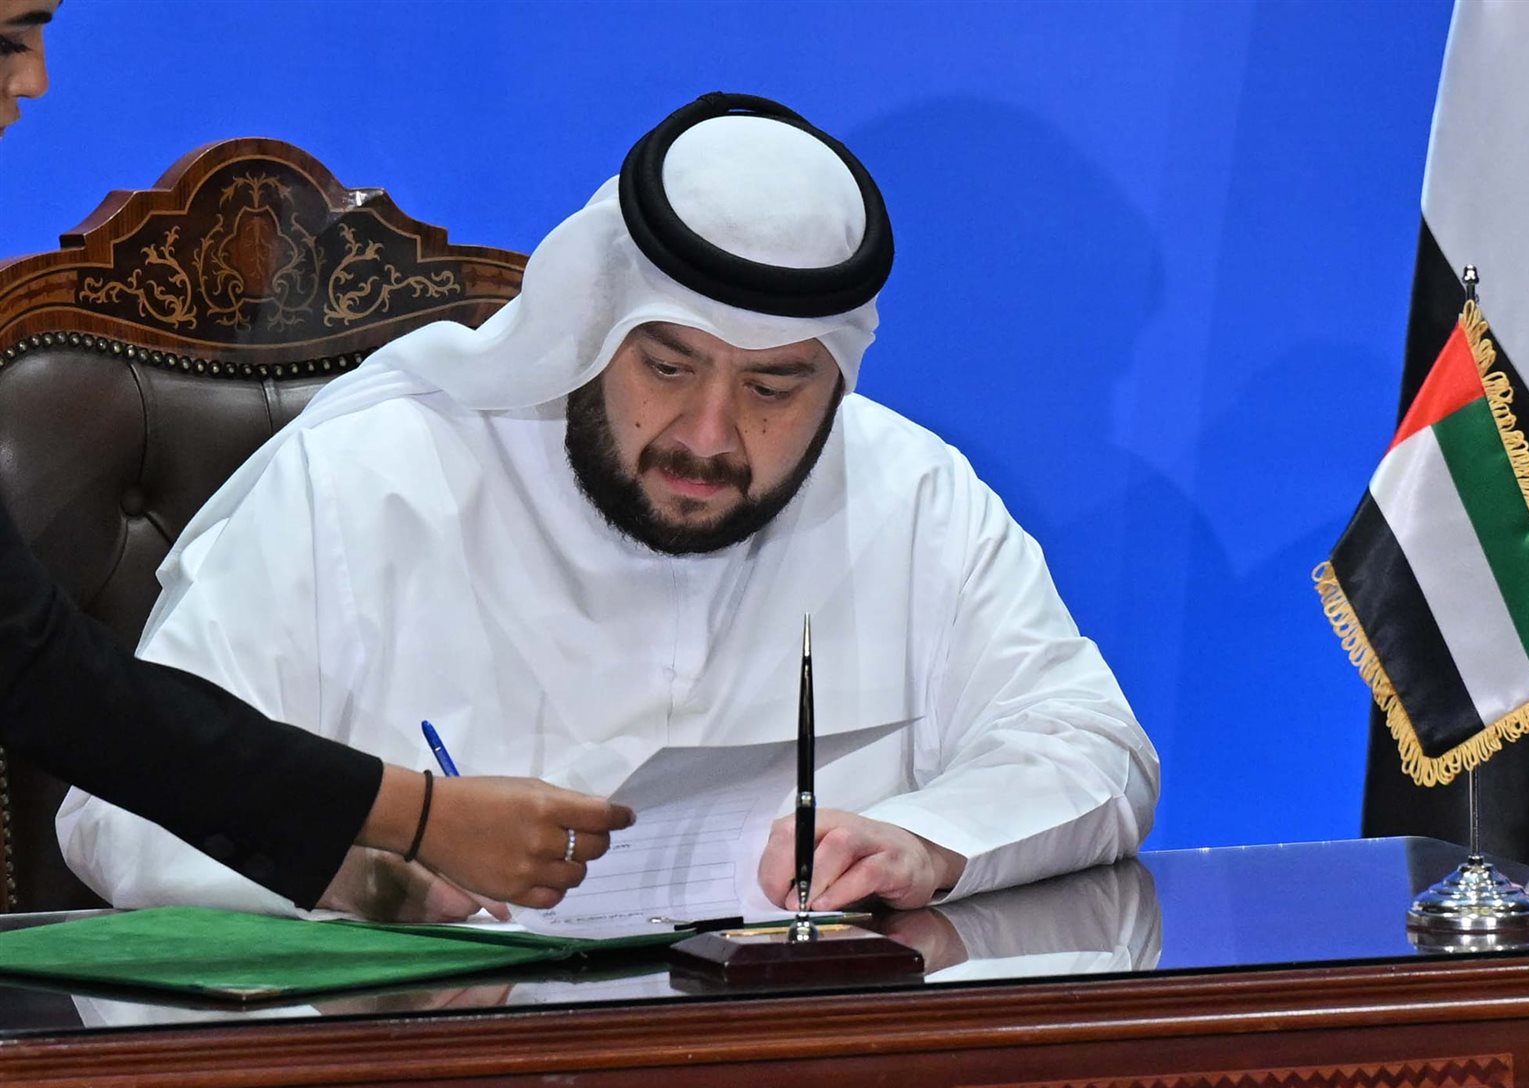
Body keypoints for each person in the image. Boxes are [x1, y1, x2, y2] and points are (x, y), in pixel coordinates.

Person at [58, 92, 1160, 919]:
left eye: (774, 388)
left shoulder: (913, 495)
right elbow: (122, 811)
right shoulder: (369, 479)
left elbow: (1089, 745)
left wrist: (929, 838)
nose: (708, 436)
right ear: (592, 330)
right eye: (667, 367)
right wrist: (361, 867)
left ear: (837, 377)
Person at [0, 0, 632, 919]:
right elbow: (54, 688)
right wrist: (421, 814)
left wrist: (360, 864)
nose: (36, 80)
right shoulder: (344, 471)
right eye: (7, 39)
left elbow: (45, 680)